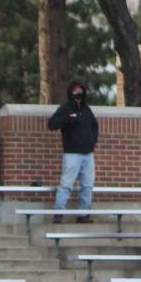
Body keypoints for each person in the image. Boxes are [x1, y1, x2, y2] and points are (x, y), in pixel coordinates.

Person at [47, 81, 98, 223]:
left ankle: (84, 215)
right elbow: (52, 124)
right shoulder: (66, 108)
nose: (78, 95)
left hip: (88, 154)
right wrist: (68, 120)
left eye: (80, 91)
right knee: (66, 184)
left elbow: (94, 126)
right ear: (71, 93)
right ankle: (58, 213)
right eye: (75, 92)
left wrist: (93, 141)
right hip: (72, 153)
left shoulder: (87, 109)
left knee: (87, 186)